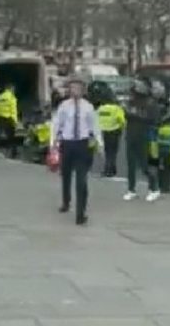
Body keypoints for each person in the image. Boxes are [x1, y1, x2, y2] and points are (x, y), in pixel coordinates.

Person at [50, 77, 103, 226]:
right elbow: (56, 124)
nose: (75, 91)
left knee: (81, 180)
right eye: (72, 88)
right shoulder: (63, 107)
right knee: (65, 175)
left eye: (78, 88)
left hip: (82, 145)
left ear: (82, 90)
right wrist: (53, 143)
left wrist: (99, 144)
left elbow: (95, 126)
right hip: (67, 144)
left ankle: (80, 214)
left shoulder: (88, 107)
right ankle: (66, 201)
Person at [124, 79, 161, 202]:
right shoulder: (131, 102)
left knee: (145, 165)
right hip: (131, 136)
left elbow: (155, 120)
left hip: (144, 137)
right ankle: (131, 190)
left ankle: (154, 189)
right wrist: (131, 113)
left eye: (136, 89)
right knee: (130, 165)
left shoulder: (151, 103)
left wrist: (136, 115)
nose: (133, 92)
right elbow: (127, 115)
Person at [94, 89, 126, 179]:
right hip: (114, 131)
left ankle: (109, 169)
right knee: (113, 152)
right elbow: (122, 120)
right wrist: (121, 127)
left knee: (107, 152)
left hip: (104, 132)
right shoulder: (116, 109)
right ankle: (110, 170)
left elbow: (96, 120)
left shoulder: (101, 108)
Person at [0, 85, 19, 158]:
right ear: (10, 89)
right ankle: (13, 153)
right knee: (12, 136)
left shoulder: (0, 97)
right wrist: (15, 121)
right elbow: (13, 110)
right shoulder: (11, 97)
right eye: (13, 89)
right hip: (8, 118)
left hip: (0, 117)